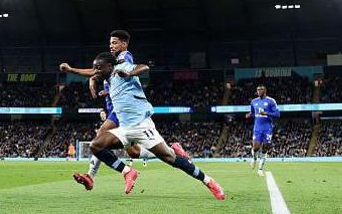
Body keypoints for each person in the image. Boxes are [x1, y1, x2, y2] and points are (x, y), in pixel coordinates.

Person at [87, 53, 224, 200]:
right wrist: (69, 69)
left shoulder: (122, 67)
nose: (96, 71)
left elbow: (144, 67)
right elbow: (89, 72)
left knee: (171, 159)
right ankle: (127, 171)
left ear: (109, 66)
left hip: (142, 126)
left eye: (98, 68)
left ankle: (208, 181)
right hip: (125, 129)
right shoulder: (107, 78)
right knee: (96, 145)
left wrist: (130, 73)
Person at [62, 30, 182, 191]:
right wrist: (100, 86)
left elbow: (98, 72)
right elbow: (98, 74)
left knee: (100, 136)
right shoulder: (113, 62)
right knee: (134, 152)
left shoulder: (124, 57)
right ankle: (171, 150)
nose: (111, 45)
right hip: (117, 108)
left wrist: (71, 70)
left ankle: (92, 175)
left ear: (124, 44)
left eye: (115, 42)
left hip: (123, 111)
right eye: (110, 43)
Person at [246, 85, 280, 176]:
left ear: (265, 90)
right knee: (256, 147)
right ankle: (254, 158)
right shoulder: (254, 101)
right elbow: (253, 113)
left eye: (260, 90)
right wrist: (249, 115)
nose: (258, 91)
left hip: (267, 128)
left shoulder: (271, 101)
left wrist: (266, 113)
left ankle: (260, 169)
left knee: (265, 148)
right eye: (257, 90)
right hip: (257, 127)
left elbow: (277, 114)